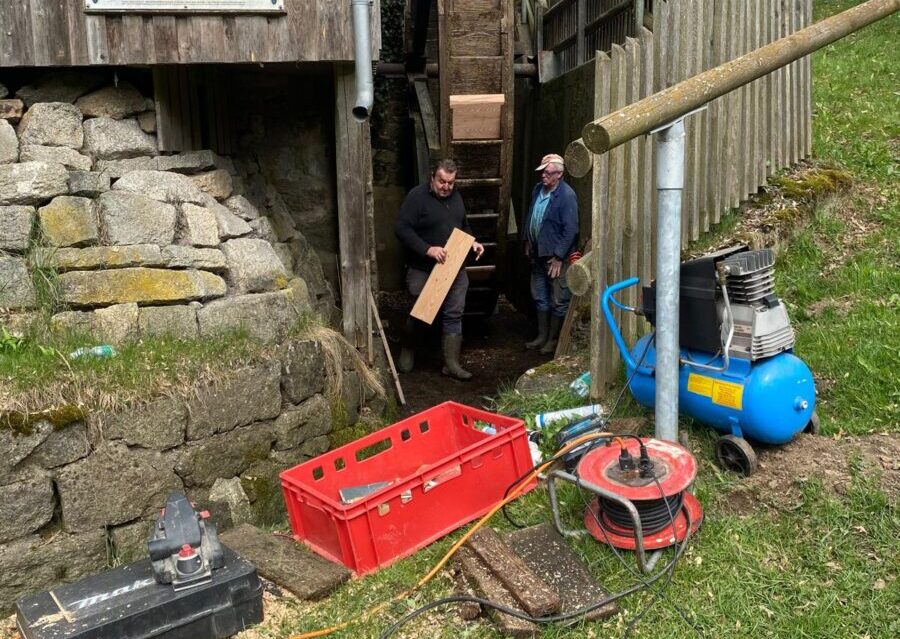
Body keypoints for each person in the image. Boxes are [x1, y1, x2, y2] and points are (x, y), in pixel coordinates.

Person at [394, 159, 484, 380]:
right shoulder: (417, 197)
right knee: (422, 312)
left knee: (455, 312)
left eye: (451, 183)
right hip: (423, 267)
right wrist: (427, 249)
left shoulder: (457, 197)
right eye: (442, 181)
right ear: (432, 177)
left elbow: (464, 225)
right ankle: (409, 349)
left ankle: (451, 363)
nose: (446, 187)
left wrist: (472, 242)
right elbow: (401, 229)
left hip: (454, 266)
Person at [523, 153, 579, 354]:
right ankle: (541, 336)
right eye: (542, 173)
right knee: (539, 296)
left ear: (559, 175)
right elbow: (531, 215)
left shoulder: (566, 196)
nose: (543, 177)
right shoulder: (538, 190)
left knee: (558, 299)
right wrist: (527, 240)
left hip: (555, 258)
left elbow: (571, 229)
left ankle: (553, 341)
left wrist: (558, 257)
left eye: (547, 174)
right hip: (538, 253)